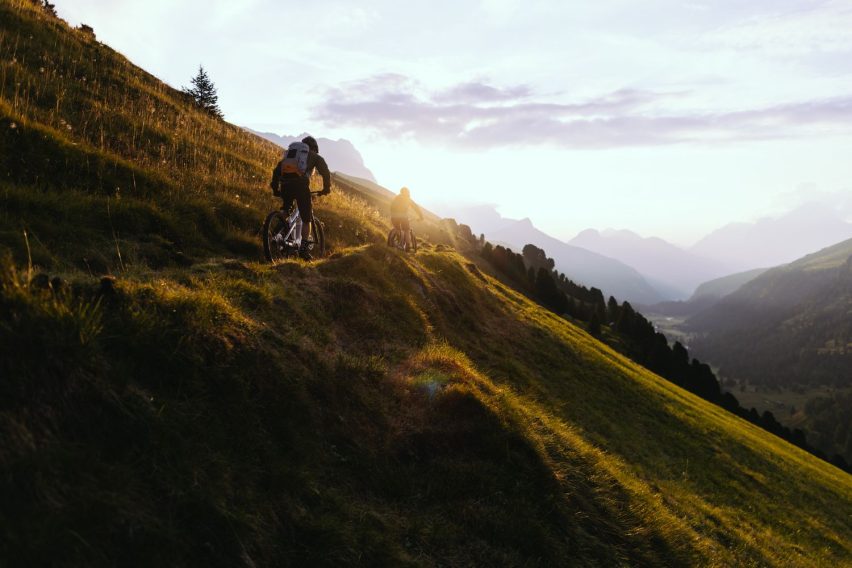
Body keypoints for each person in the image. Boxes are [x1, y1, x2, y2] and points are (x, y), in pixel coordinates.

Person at [270, 135, 331, 260]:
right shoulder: (315, 156)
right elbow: (325, 172)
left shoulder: (291, 154)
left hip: (285, 184)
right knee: (306, 218)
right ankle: (303, 248)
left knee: (286, 210)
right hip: (301, 186)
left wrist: (276, 189)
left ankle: (275, 234)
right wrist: (326, 189)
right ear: (314, 148)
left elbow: (276, 171)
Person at [390, 186, 424, 251]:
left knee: (397, 228)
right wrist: (421, 216)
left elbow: (391, 207)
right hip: (403, 216)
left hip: (393, 216)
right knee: (407, 230)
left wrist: (393, 215)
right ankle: (408, 246)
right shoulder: (408, 199)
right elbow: (416, 208)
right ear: (408, 193)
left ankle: (397, 240)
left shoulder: (396, 198)